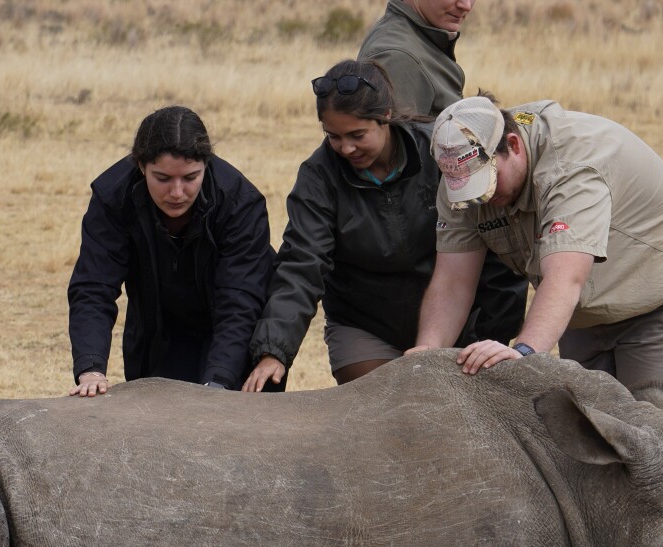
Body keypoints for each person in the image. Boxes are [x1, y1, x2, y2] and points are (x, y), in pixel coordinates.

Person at [410, 94, 663, 416]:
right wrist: (426, 354)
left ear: (514, 145)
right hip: (587, 308)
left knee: (650, 436)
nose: (482, 196)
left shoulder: (569, 167)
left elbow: (566, 277)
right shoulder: (463, 176)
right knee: (586, 434)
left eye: (488, 182)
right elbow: (452, 280)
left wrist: (522, 352)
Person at [241, 60, 446, 390]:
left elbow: (483, 245)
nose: (346, 148)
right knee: (383, 405)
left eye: (357, 135)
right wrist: (274, 350)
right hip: (363, 322)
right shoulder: (318, 176)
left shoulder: (439, 151)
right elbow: (302, 263)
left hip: (449, 315)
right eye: (333, 136)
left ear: (387, 116)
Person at [67, 106, 275, 396]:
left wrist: (218, 382)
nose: (177, 193)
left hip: (238, 329)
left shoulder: (241, 202)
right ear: (140, 166)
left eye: (190, 178)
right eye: (163, 179)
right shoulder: (112, 197)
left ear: (207, 165)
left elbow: (240, 300)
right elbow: (94, 287)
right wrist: (91, 367)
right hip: (160, 328)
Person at [358, 0, 527, 346]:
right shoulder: (398, 56)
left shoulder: (423, 39)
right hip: (447, 246)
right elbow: (399, 182)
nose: (465, 5)